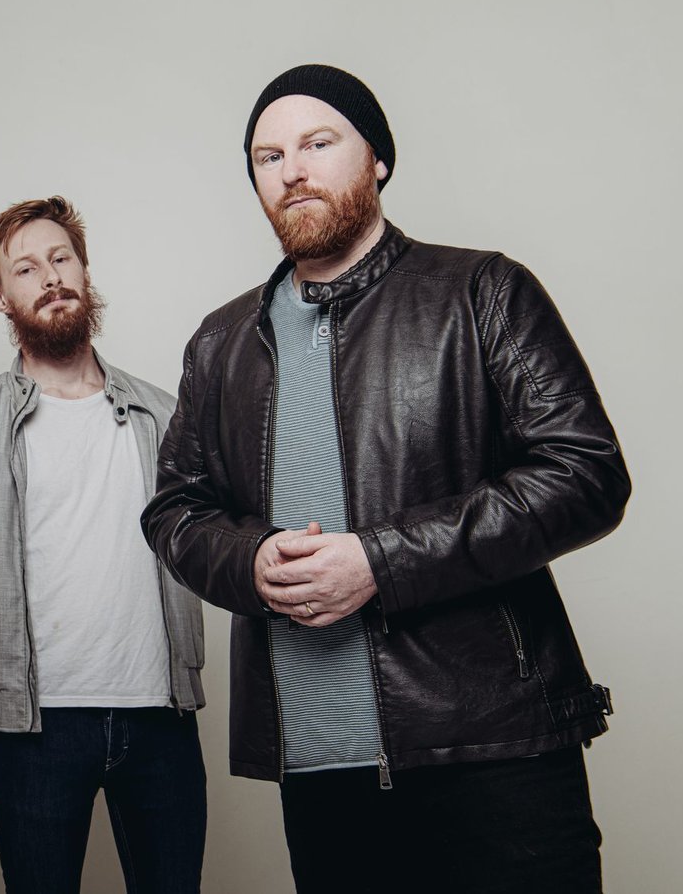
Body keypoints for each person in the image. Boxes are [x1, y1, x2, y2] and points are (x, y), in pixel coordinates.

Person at [143, 64, 630, 893]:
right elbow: (176, 511)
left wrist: (381, 560)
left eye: (317, 143)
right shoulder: (220, 342)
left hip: (492, 751)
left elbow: (585, 471)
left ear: (378, 159)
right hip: (319, 769)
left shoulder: (482, 290)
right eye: (268, 156)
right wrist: (250, 562)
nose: (292, 170)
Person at [0, 197, 207, 893]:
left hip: (161, 716)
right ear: (0, 296)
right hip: (35, 728)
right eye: (26, 268)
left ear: (84, 271)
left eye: (61, 258)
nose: (51, 277)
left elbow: (201, 543)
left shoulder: (162, 414)